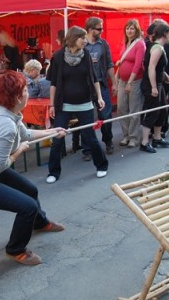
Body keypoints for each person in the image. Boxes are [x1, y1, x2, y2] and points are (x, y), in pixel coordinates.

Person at [0, 72, 67, 265]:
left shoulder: (7, 112)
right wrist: (19, 152)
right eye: (25, 90)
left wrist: (53, 131)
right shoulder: (4, 124)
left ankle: (40, 223)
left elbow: (25, 133)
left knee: (30, 190)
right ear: (17, 98)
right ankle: (15, 249)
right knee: (27, 206)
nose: (28, 93)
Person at [45, 26, 109, 183]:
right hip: (64, 105)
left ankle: (101, 166)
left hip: (85, 103)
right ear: (74, 39)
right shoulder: (58, 56)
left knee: (90, 137)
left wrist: (99, 97)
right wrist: (52, 104)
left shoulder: (86, 54)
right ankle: (53, 172)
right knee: (57, 138)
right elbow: (53, 83)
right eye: (82, 38)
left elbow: (94, 78)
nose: (85, 41)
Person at [83, 17, 115, 156]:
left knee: (106, 115)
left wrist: (114, 82)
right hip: (86, 86)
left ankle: (108, 141)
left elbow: (109, 64)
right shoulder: (82, 43)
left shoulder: (103, 44)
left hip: (101, 83)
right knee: (86, 117)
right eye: (99, 28)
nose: (101, 31)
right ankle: (87, 148)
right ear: (90, 29)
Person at [140, 23, 169, 153]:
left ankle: (157, 138)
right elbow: (151, 67)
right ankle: (144, 142)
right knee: (152, 112)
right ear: (165, 33)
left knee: (162, 111)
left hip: (159, 83)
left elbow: (157, 66)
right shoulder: (157, 48)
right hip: (151, 85)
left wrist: (165, 75)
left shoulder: (159, 47)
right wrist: (153, 87)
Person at [114, 19, 146, 148]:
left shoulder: (140, 44)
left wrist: (130, 82)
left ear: (137, 30)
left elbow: (138, 65)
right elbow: (123, 60)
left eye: (132, 28)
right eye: (127, 28)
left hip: (135, 81)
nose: (129, 31)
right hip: (122, 80)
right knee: (121, 108)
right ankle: (125, 134)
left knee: (134, 110)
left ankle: (133, 137)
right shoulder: (125, 43)